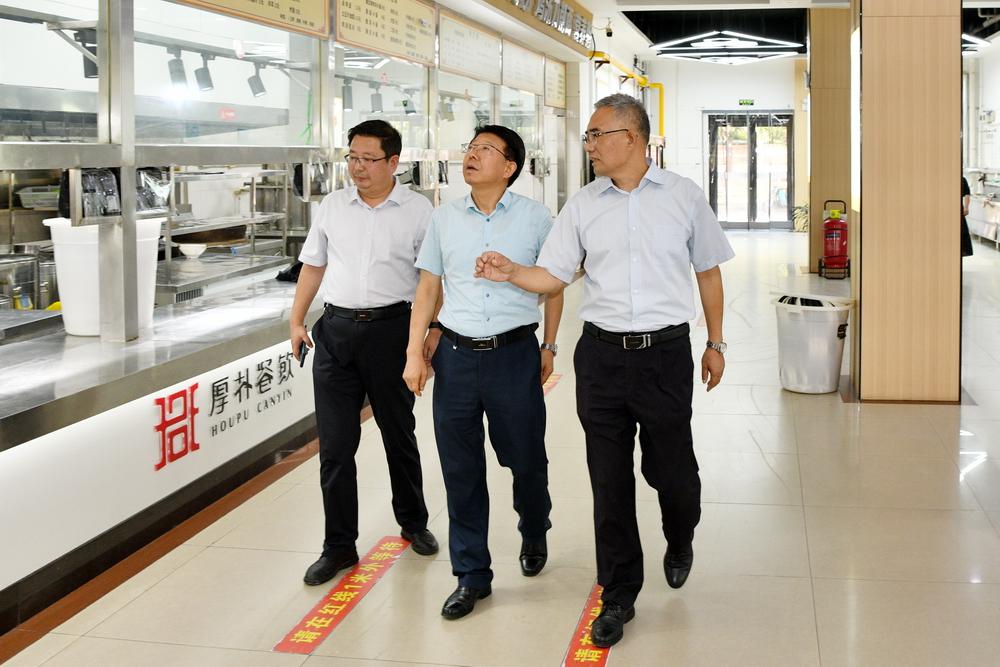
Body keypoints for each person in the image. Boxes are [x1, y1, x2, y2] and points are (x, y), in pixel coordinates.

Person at [474, 94, 734, 647]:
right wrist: (512, 271)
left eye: (597, 134)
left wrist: (715, 342)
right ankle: (618, 592)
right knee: (608, 480)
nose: (589, 144)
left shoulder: (683, 196)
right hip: (601, 358)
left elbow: (708, 272)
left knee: (673, 474)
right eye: (588, 136)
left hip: (665, 355)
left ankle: (680, 533)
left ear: (632, 138)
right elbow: (554, 276)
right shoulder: (583, 205)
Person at [403, 124, 564, 620]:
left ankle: (534, 526)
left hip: (514, 355)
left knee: (526, 459)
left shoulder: (537, 218)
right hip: (456, 356)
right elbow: (428, 287)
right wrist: (414, 351)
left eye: (485, 150)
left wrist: (549, 345)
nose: (471, 156)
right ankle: (471, 575)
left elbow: (554, 285)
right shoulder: (444, 218)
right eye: (470, 148)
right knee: (460, 469)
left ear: (510, 166)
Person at [290, 119, 439, 586]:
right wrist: (296, 320)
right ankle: (338, 546)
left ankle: (413, 521)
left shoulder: (418, 210)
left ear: (393, 162)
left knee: (398, 433)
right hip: (335, 333)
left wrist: (430, 331)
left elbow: (432, 278)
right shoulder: (333, 206)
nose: (358, 167)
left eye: (368, 159)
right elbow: (313, 266)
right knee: (335, 447)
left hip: (391, 331)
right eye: (352, 157)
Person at [962, 176, 974, 258]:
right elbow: (967, 194)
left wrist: (966, 208)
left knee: (961, 232)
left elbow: (967, 194)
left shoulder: (961, 179)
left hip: (957, 209)